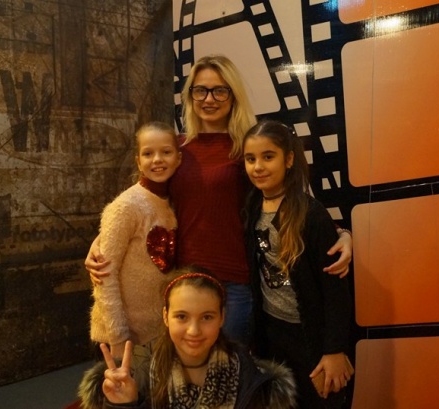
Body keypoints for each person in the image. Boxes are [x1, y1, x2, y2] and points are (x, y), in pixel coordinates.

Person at [85, 54, 353, 345]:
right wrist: (103, 240)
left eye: (219, 90)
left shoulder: (246, 149)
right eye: (200, 90)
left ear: (233, 94)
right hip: (184, 280)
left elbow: (286, 200)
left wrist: (340, 233)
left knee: (229, 366)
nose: (209, 99)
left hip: (234, 283)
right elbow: (147, 200)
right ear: (190, 95)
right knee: (190, 369)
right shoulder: (176, 148)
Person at [242, 120, 354, 408]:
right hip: (271, 334)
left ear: (289, 159)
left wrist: (335, 349)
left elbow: (335, 290)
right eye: (250, 159)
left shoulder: (311, 214)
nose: (258, 167)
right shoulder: (251, 207)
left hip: (310, 336)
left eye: (268, 157)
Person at [78, 269, 298, 409]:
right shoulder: (142, 370)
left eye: (207, 317)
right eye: (182, 316)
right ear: (166, 316)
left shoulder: (244, 371)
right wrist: (125, 404)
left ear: (222, 317)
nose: (194, 331)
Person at [88, 121, 181, 360]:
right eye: (148, 154)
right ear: (138, 161)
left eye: (166, 152)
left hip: (159, 331)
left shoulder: (175, 202)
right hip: (124, 336)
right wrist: (118, 337)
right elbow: (105, 276)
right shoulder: (126, 206)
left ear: (178, 158)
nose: (157, 159)